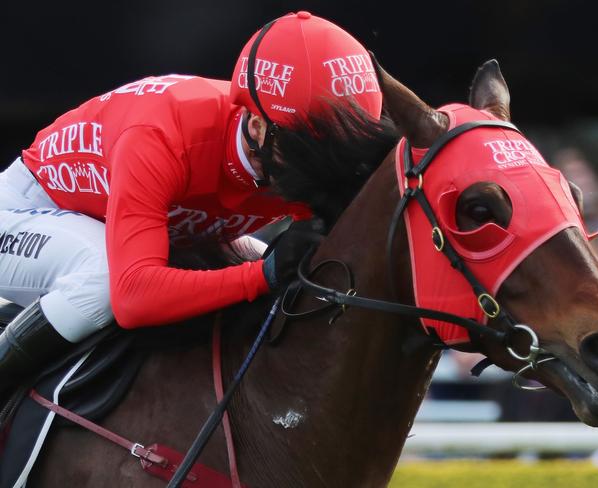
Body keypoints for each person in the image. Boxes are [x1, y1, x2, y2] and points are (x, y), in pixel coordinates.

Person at [0, 11, 383, 395]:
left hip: (136, 220)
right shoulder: (163, 134)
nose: (324, 168)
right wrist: (260, 277)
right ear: (256, 126)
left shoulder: (280, 140)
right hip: (30, 208)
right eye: (310, 148)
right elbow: (133, 297)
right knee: (102, 279)